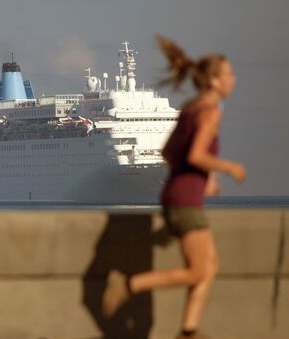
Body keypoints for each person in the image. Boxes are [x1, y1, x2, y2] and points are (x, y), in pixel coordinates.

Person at [102, 36, 247, 339]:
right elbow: (195, 155)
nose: (234, 79)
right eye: (229, 74)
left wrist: (200, 175)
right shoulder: (210, 112)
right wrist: (227, 168)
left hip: (177, 193)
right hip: (184, 200)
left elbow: (168, 153)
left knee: (209, 266)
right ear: (215, 81)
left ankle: (188, 330)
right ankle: (129, 285)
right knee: (199, 270)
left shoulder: (189, 108)